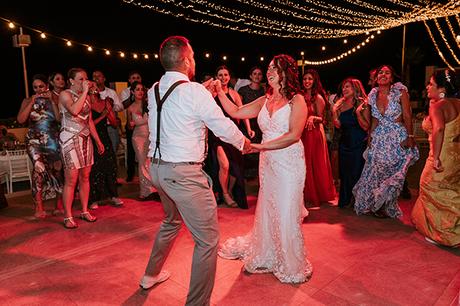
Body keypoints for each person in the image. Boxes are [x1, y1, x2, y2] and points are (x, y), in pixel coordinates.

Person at [140, 36, 250, 306]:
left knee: (171, 222)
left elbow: (181, 102)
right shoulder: (193, 92)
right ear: (187, 60)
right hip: (184, 176)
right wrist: (244, 143)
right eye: (193, 57)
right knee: (208, 241)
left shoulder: (155, 89)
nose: (195, 61)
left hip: (158, 171)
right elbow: (220, 125)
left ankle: (149, 276)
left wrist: (204, 90)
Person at [217, 54, 312, 284]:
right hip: (268, 164)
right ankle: (268, 251)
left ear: (286, 73)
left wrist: (258, 146)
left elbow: (292, 136)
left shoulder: (297, 100)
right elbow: (236, 112)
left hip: (289, 162)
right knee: (269, 207)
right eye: (268, 68)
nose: (269, 72)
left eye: (275, 69)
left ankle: (290, 261)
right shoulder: (264, 100)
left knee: (286, 209)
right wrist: (220, 91)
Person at [353, 65, 419, 218]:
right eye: (380, 73)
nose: (383, 75)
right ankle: (378, 204)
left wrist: (410, 136)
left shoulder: (400, 92)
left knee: (394, 171)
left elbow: (408, 115)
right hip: (379, 137)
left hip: (397, 136)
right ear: (376, 78)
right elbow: (375, 119)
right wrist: (370, 136)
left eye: (387, 72)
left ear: (392, 78)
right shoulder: (373, 94)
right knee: (376, 170)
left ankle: (385, 203)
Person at [411, 69, 460, 247]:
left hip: (440, 156)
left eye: (431, 83)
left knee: (430, 188)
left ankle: (443, 234)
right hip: (455, 157)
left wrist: (437, 157)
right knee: (451, 191)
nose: (427, 86)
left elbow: (439, 129)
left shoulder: (438, 106)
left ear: (442, 89)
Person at [59, 68, 105, 229]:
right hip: (70, 140)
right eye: (80, 79)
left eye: (85, 78)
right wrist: (86, 91)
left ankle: (85, 210)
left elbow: (89, 120)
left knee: (85, 177)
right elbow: (74, 110)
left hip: (86, 140)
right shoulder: (65, 94)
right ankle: (68, 216)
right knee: (71, 180)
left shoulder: (86, 96)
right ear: (71, 81)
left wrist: (98, 141)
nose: (84, 81)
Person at [17, 74, 64, 219]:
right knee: (38, 170)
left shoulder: (54, 99)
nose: (38, 89)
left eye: (41, 86)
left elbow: (58, 119)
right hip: (34, 141)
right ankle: (39, 207)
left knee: (57, 171)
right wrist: (31, 103)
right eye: (35, 87)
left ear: (47, 86)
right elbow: (20, 120)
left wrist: (52, 101)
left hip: (52, 140)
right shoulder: (27, 100)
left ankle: (59, 205)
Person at [207, 65, 253, 208]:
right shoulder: (212, 95)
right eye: (220, 75)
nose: (223, 78)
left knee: (235, 168)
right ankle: (225, 194)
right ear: (216, 77)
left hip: (233, 134)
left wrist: (249, 129)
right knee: (225, 165)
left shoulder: (234, 94)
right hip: (217, 136)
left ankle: (228, 191)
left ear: (229, 76)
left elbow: (242, 112)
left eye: (225, 75)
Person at [301, 69, 336, 207]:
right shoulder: (300, 96)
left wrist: (313, 117)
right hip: (302, 133)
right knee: (303, 162)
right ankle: (304, 193)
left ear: (314, 81)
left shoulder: (318, 98)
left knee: (314, 163)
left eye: (310, 79)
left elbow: (323, 119)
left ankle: (316, 194)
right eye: (305, 79)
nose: (307, 81)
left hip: (314, 133)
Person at [333, 78, 369, 208]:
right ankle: (345, 200)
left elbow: (366, 127)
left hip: (358, 143)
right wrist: (334, 111)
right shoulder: (340, 104)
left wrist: (358, 113)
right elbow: (337, 125)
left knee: (356, 172)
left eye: (347, 87)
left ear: (355, 89)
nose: (344, 89)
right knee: (345, 173)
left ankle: (357, 202)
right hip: (345, 142)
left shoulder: (362, 103)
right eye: (343, 87)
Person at [88, 88, 123, 209]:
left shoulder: (105, 102)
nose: (94, 89)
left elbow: (114, 123)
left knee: (110, 166)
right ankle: (94, 199)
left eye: (95, 86)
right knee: (94, 169)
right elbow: (88, 125)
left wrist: (109, 111)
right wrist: (103, 115)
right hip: (92, 138)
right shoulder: (86, 103)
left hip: (105, 136)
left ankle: (113, 195)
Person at [126, 81, 159, 201]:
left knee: (151, 162)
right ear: (132, 92)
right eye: (137, 89)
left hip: (151, 136)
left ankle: (154, 189)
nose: (140, 92)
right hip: (138, 137)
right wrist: (130, 124)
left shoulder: (149, 104)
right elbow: (129, 127)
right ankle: (145, 191)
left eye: (142, 89)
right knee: (142, 161)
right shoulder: (130, 108)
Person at [93, 70, 123, 155]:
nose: (96, 78)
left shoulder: (111, 92)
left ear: (104, 79)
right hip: (97, 127)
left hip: (110, 126)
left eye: (98, 76)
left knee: (113, 150)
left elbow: (120, 107)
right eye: (94, 76)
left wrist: (111, 105)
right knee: (99, 153)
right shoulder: (90, 93)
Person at [119, 71, 142, 182]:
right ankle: (130, 174)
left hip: (144, 126)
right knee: (131, 151)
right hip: (131, 124)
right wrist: (133, 96)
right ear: (129, 80)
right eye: (133, 78)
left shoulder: (144, 90)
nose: (136, 79)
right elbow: (123, 105)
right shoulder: (125, 92)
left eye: (138, 77)